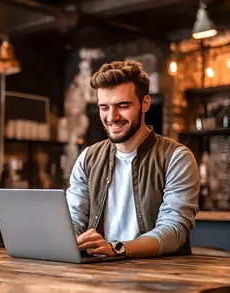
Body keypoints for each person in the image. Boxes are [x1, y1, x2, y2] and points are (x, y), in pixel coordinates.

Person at [65, 60, 200, 259]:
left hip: (160, 279)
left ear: (145, 103)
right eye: (104, 107)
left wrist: (117, 248)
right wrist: (69, 239)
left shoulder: (177, 158)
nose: (112, 117)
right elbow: (72, 221)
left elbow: (174, 231)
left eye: (122, 105)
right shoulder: (88, 158)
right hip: (98, 275)